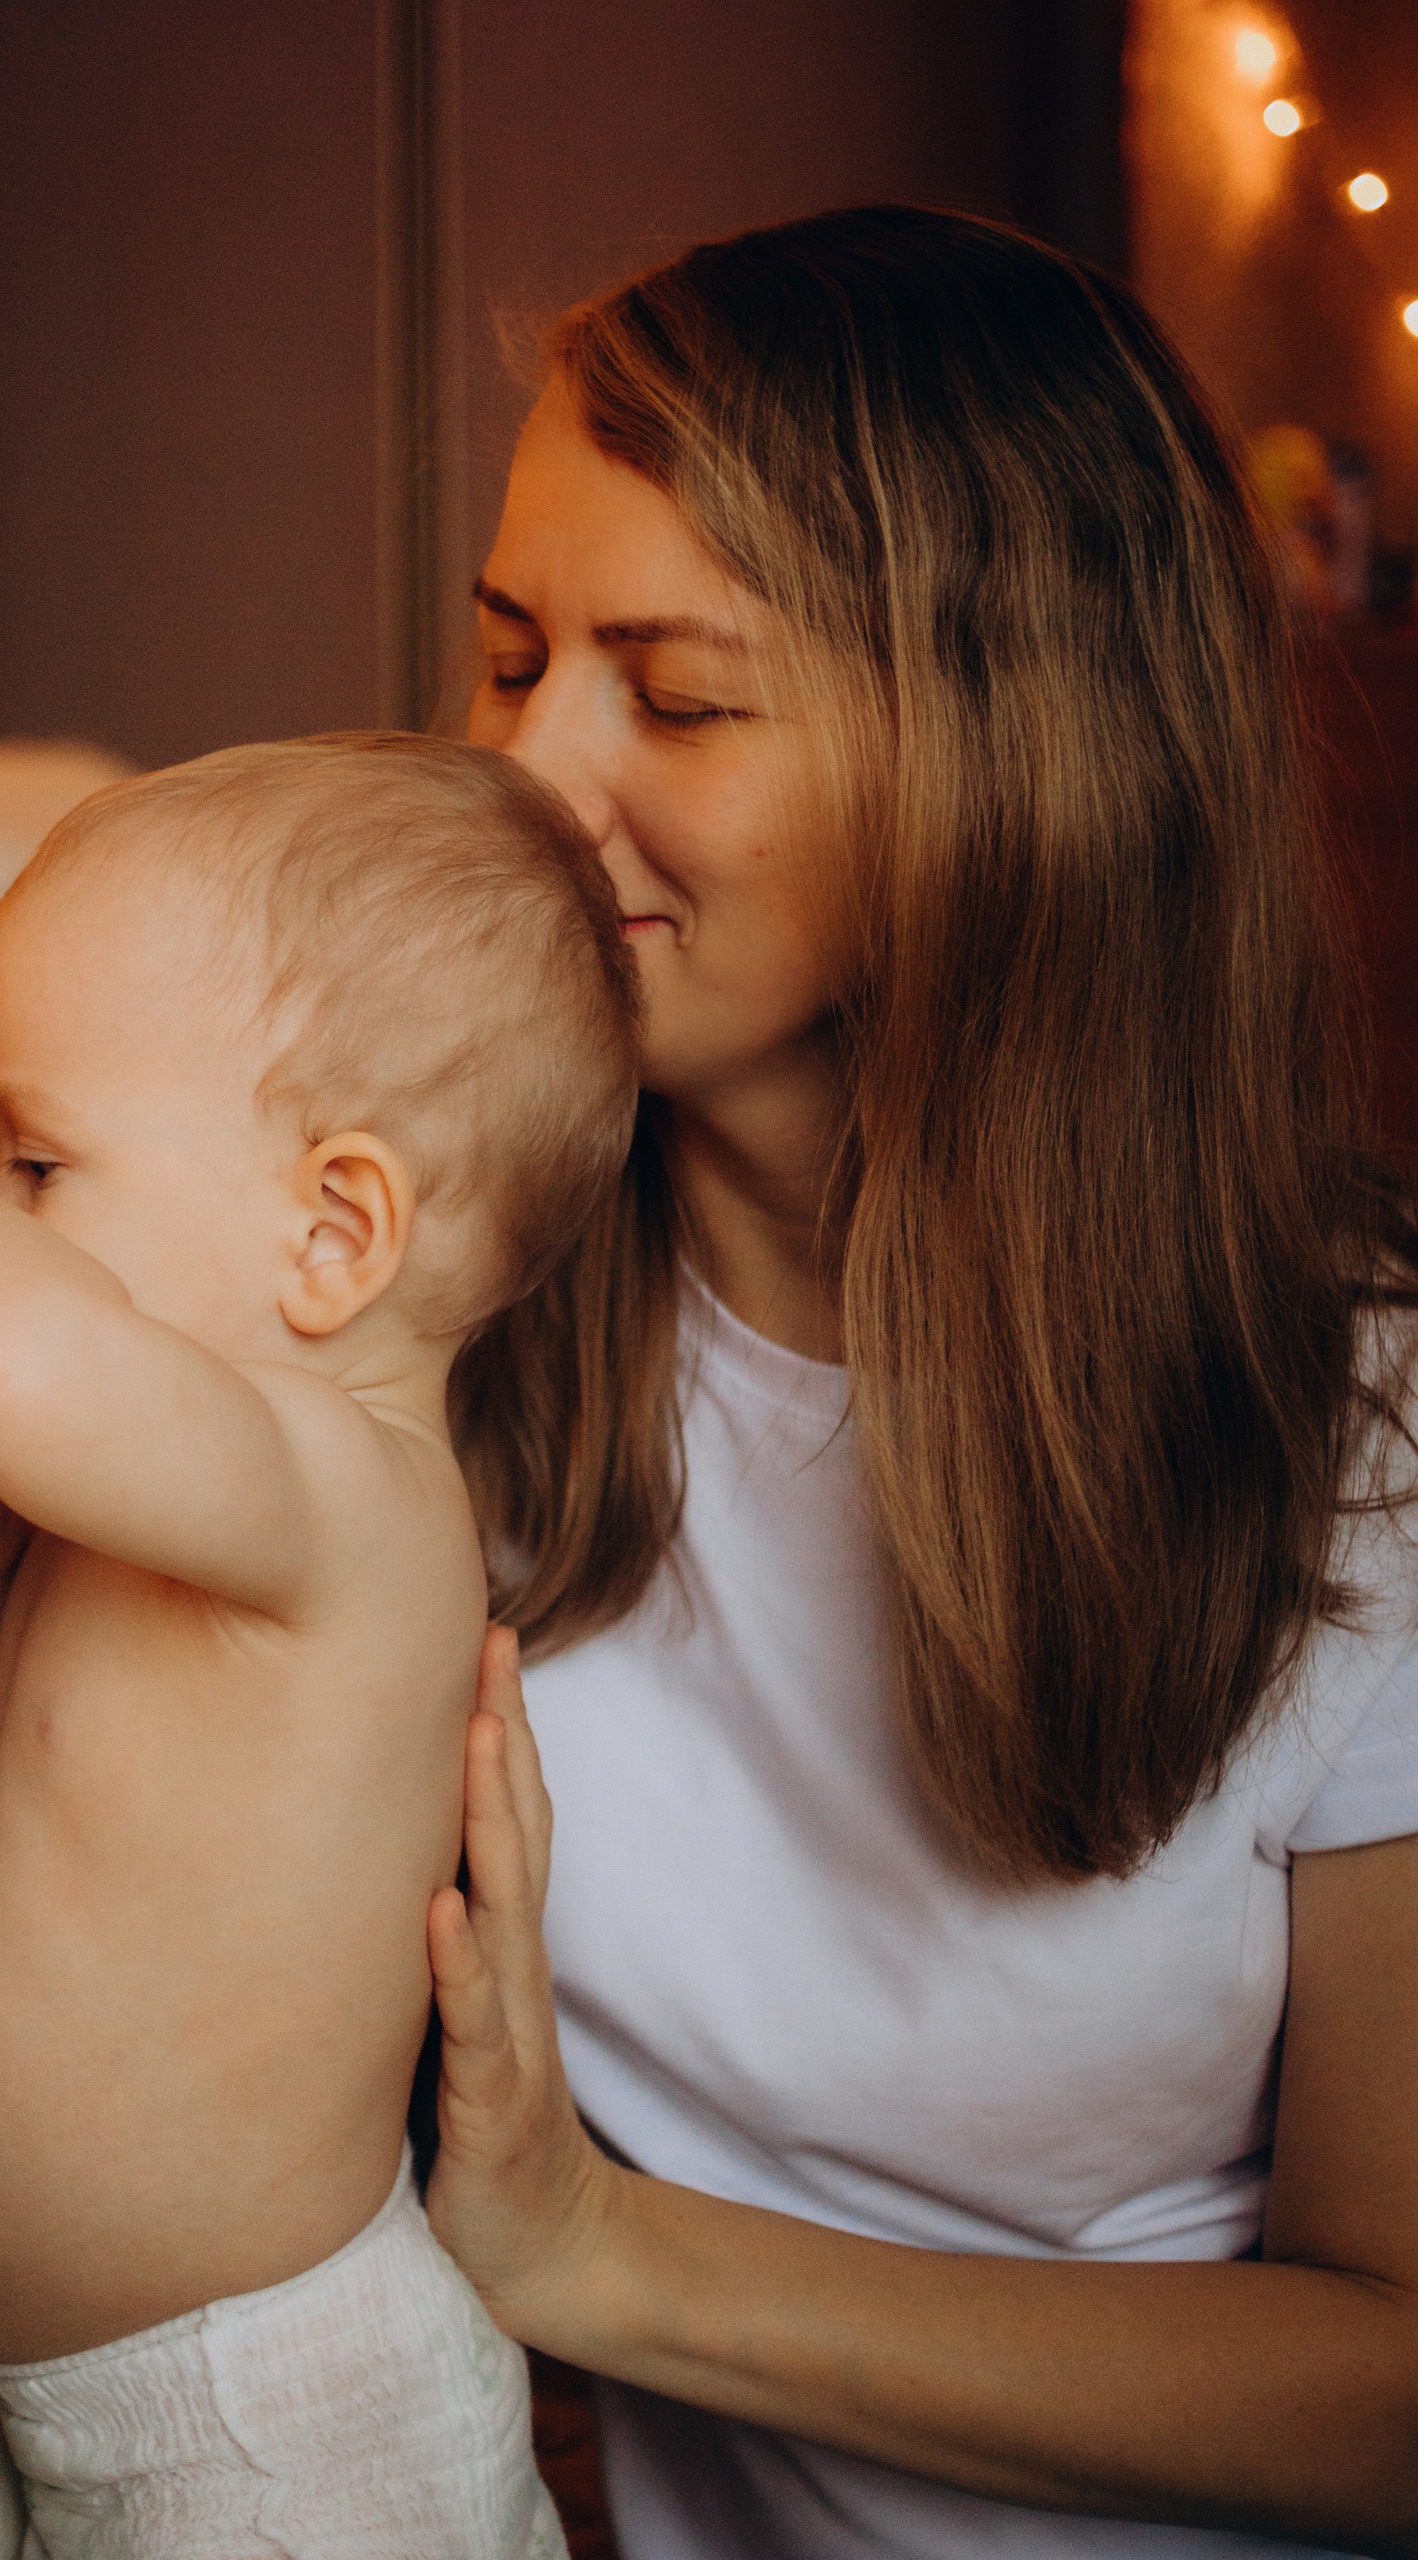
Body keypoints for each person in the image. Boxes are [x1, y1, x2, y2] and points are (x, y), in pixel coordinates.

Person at [419, 207, 1418, 2555]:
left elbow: (1393, 2382)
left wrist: (600, 2250)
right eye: (502, 657)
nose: (528, 770)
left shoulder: (1361, 1436)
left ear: (1008, 759)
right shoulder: (444, 1301)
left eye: (670, 692)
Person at [0, 734, 632, 2557]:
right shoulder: (200, 1492)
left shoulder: (348, 1496)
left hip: (288, 2428)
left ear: (335, 1232)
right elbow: (5, 1707)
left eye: (37, 1160)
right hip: (141, 2398)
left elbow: (32, 1363)